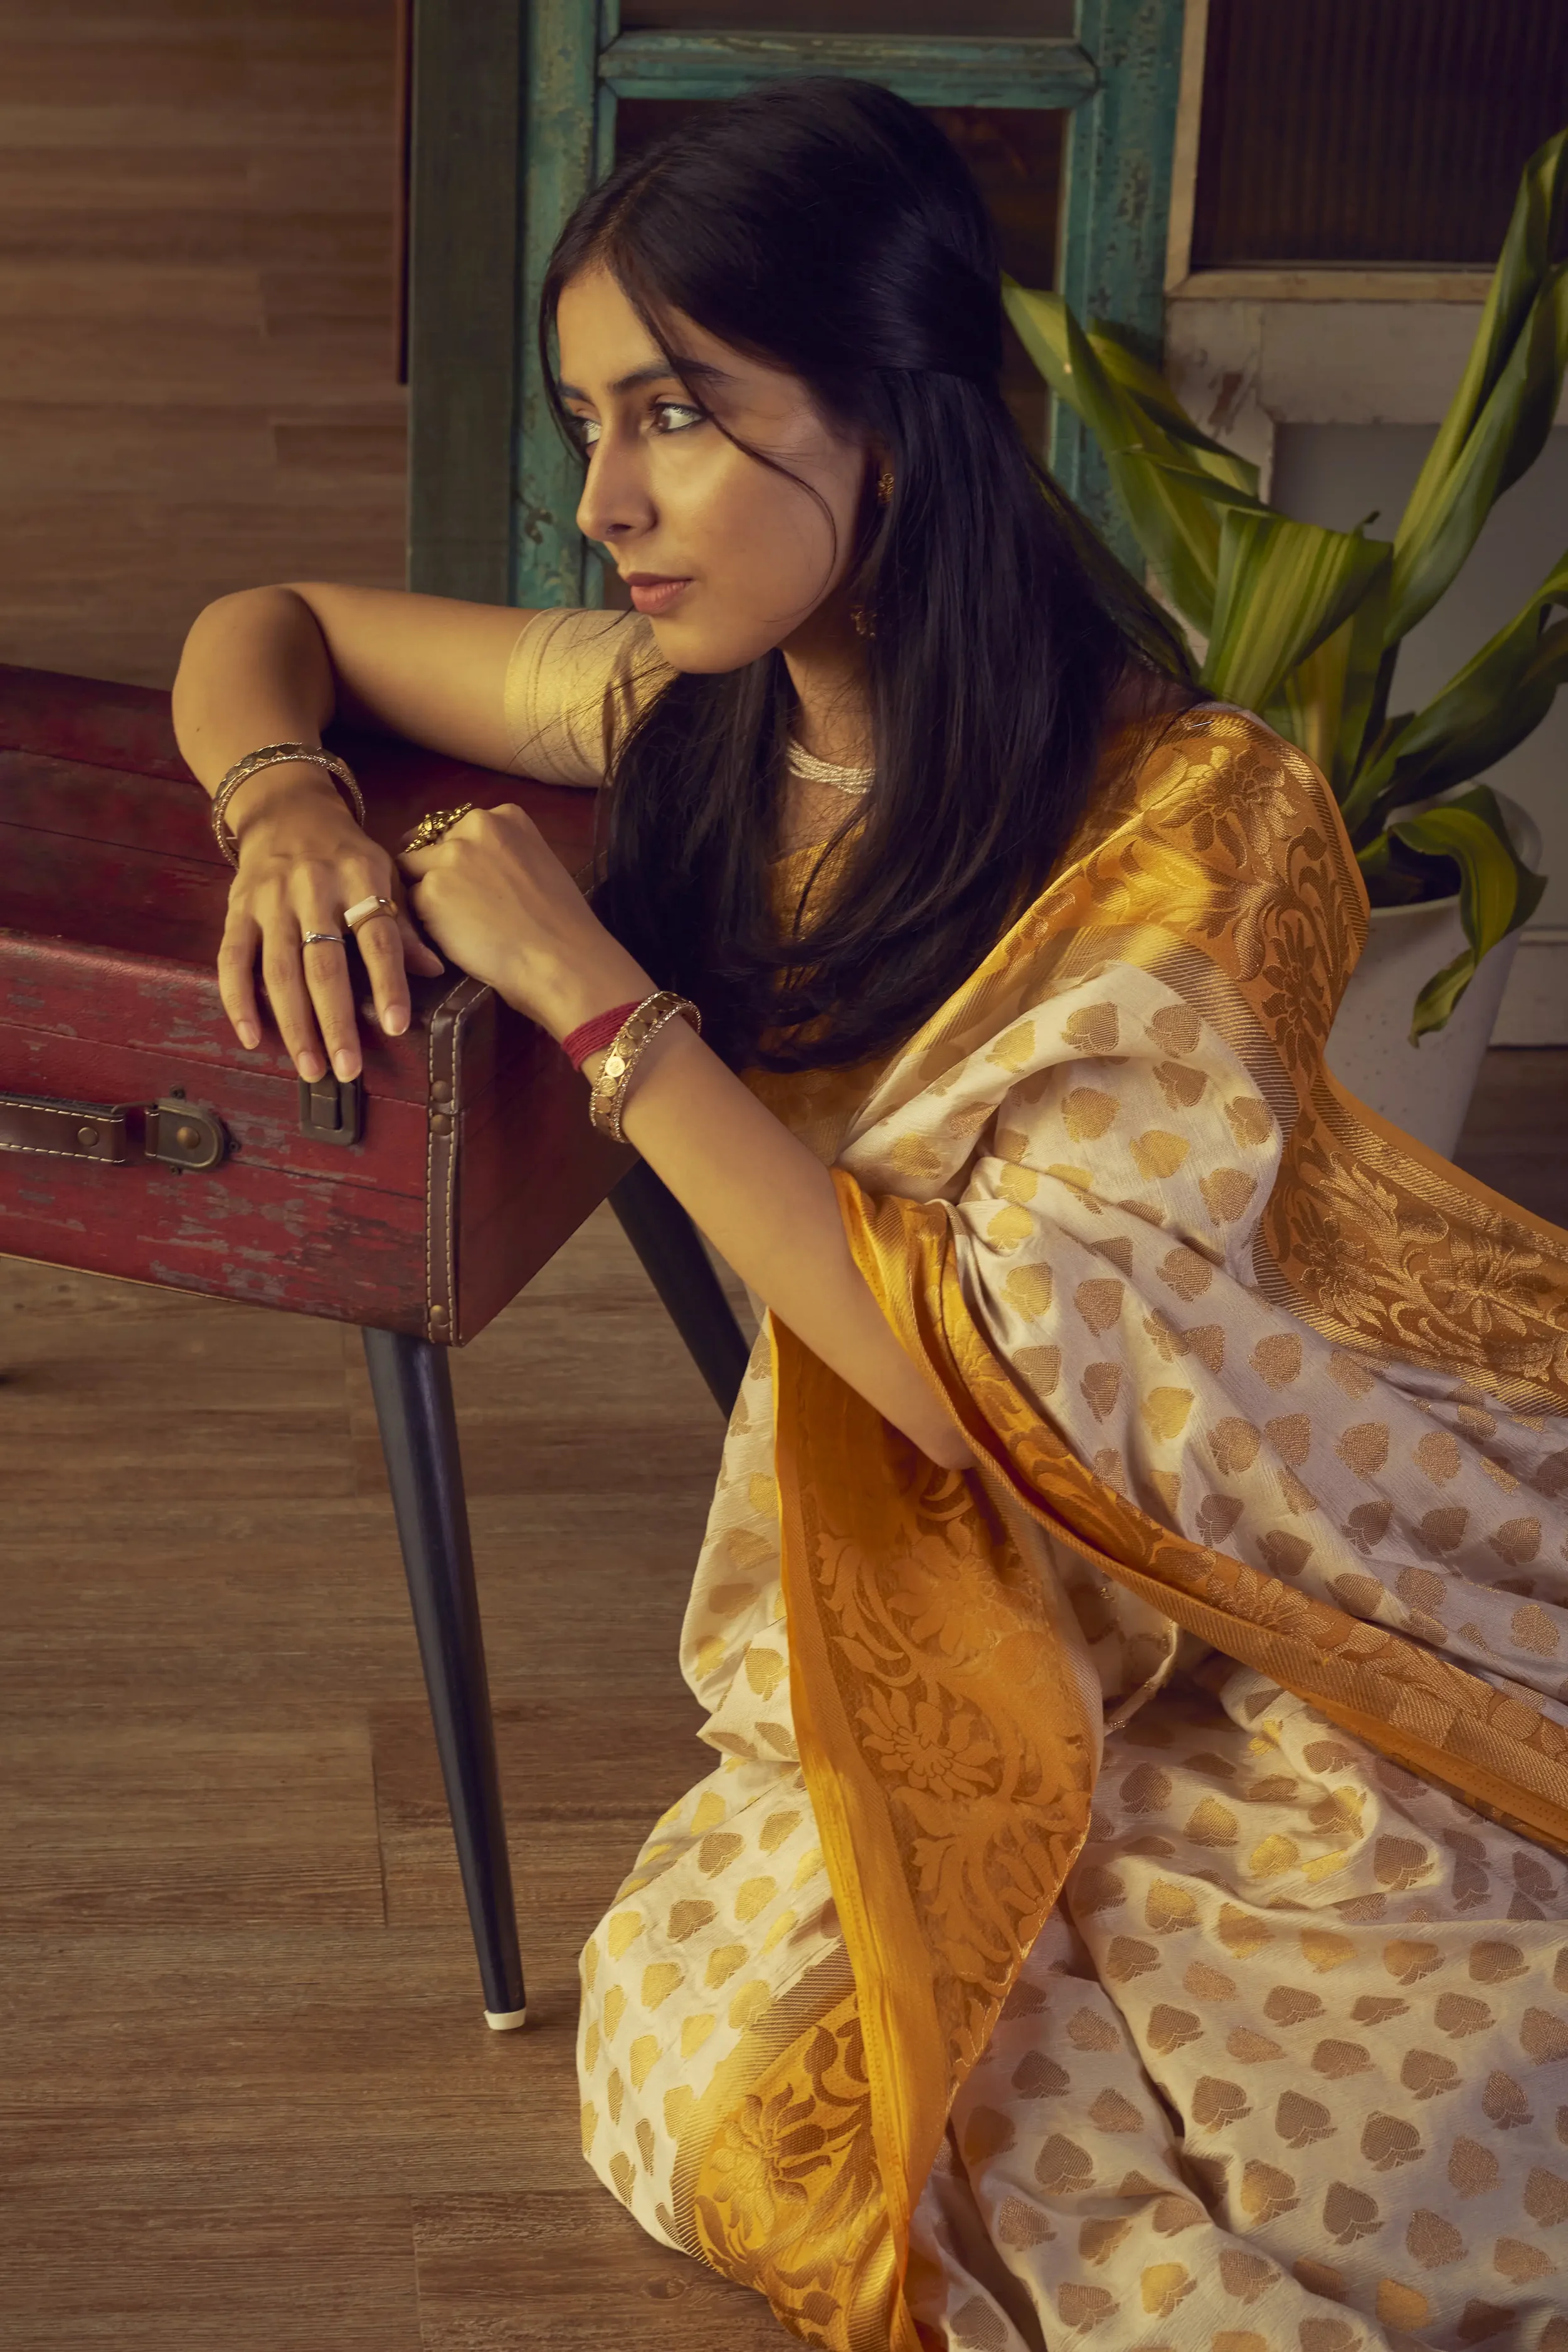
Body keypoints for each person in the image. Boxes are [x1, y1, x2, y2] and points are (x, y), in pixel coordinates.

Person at [171, 78, 1568, 2352]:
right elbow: (269, 619)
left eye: (680, 417)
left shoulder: (1181, 826)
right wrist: (282, 811)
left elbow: (969, 1366)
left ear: (893, 432)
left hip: (1207, 1548)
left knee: (1354, 2078)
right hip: (923, 1566)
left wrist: (602, 1006)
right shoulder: (690, 704)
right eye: (584, 420)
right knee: (717, 2065)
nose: (604, 498)